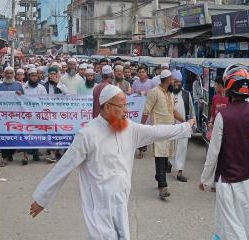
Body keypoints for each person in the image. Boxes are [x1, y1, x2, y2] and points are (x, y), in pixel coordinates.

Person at [30, 84, 194, 239]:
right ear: (107, 107)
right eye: (122, 106)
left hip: (121, 200)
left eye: (126, 105)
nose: (126, 110)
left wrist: (185, 126)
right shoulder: (87, 134)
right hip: (99, 205)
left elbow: (157, 131)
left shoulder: (129, 128)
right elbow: (63, 167)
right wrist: (42, 199)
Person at [199, 65, 249, 240]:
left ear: (229, 87)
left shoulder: (224, 116)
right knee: (243, 218)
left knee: (232, 224)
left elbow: (213, 151)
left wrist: (204, 179)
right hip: (246, 177)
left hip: (227, 178)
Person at [141, 70, 188, 199]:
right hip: (158, 130)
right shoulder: (154, 92)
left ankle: (159, 176)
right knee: (160, 158)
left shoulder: (171, 94)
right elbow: (146, 111)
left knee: (165, 158)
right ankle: (163, 187)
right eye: (172, 80)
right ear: (167, 80)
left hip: (170, 131)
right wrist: (141, 129)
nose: (174, 82)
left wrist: (186, 122)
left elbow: (173, 111)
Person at [169, 70, 196, 182]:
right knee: (170, 148)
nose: (176, 84)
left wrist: (193, 123)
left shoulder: (186, 94)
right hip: (170, 127)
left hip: (183, 126)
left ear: (181, 82)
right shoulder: (167, 93)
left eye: (178, 82)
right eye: (174, 82)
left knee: (182, 149)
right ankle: (169, 164)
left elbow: (192, 110)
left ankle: (180, 172)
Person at [0, 67, 24, 165]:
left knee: (14, 136)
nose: (8, 75)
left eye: (10, 73)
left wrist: (20, 94)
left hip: (15, 116)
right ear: (4, 74)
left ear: (13, 74)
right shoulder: (0, 86)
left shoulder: (18, 85)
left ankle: (10, 154)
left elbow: (24, 100)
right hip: (3, 117)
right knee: (4, 136)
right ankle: (5, 157)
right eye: (7, 73)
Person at [21, 68, 48, 165]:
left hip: (38, 114)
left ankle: (36, 154)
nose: (34, 77)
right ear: (29, 76)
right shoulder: (24, 87)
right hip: (26, 114)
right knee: (26, 134)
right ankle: (25, 156)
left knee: (37, 134)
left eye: (35, 76)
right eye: (32, 76)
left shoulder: (42, 88)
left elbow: (45, 100)